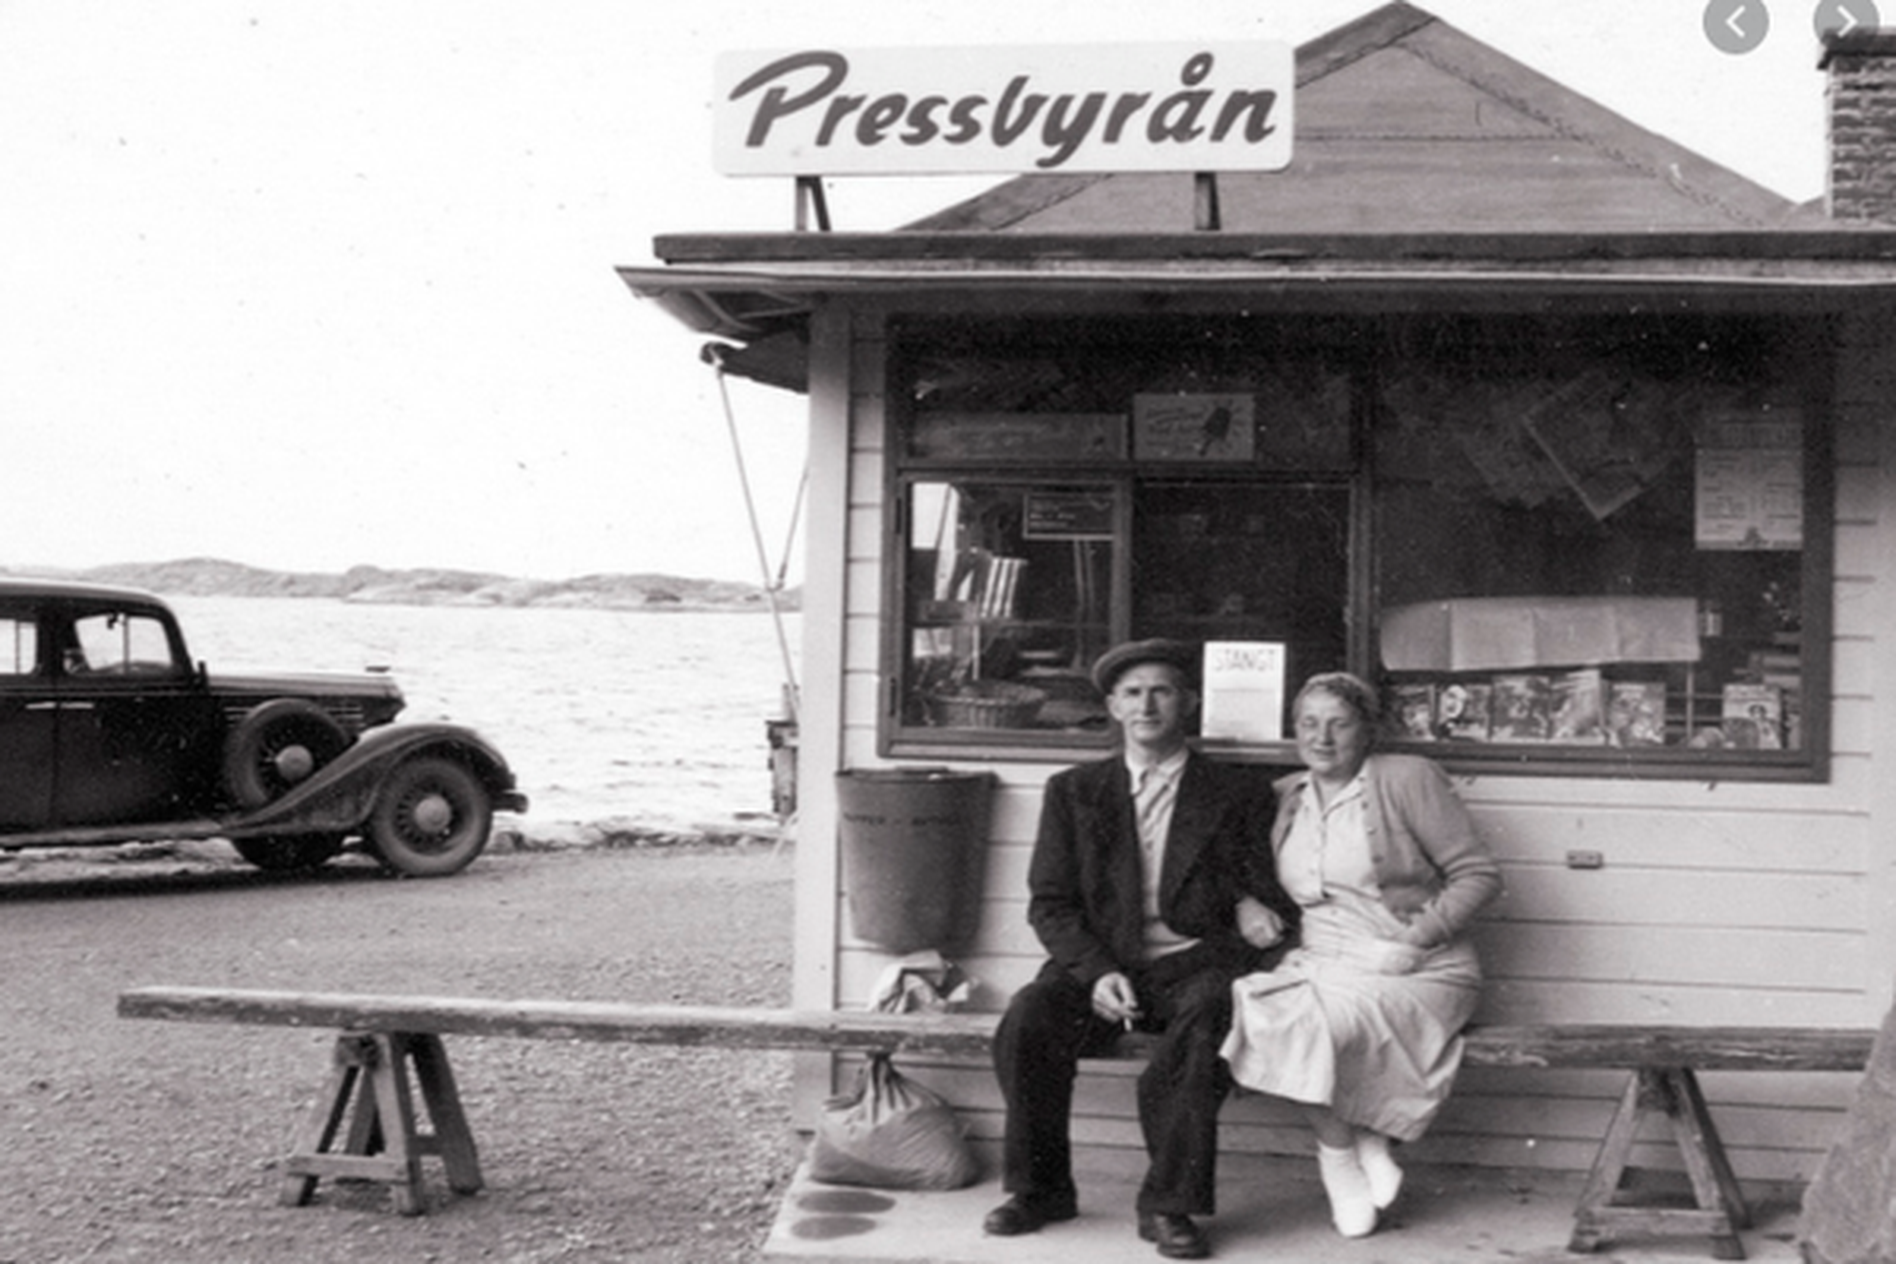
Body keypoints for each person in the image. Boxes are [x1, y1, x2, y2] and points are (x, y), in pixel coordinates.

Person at [985, 638, 1298, 1260]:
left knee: (1206, 1020)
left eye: (1161, 691)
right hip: (1101, 965)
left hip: (1194, 963)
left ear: (1188, 702)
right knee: (1028, 1021)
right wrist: (1097, 972)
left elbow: (1263, 892)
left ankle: (1168, 1206)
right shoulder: (1075, 791)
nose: (1147, 704)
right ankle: (1041, 1189)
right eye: (1132, 693)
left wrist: (1245, 902)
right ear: (1113, 707)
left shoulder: (1235, 792)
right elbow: (1051, 903)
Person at [1221, 670, 1503, 1239]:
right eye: (1308, 724)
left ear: (1367, 731)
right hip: (1323, 959)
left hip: (1419, 963)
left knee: (1319, 1024)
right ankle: (1351, 1149)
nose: (1321, 738)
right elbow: (1235, 873)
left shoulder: (1406, 779)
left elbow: (1479, 875)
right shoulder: (1286, 796)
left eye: (1339, 724)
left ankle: (1344, 1156)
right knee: (1262, 1011)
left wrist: (1414, 940)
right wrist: (1245, 902)